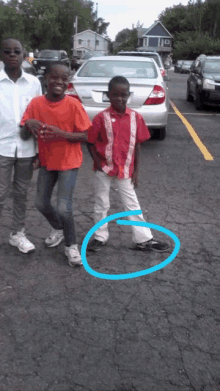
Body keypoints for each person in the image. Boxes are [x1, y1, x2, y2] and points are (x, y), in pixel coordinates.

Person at [20, 61, 92, 266]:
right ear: (45, 79)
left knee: (64, 208)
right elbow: (25, 132)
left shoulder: (73, 105)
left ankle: (71, 246)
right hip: (47, 161)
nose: (59, 81)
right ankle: (59, 229)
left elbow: (87, 135)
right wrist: (28, 124)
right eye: (54, 77)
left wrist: (63, 134)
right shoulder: (36, 104)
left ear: (68, 83)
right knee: (41, 203)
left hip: (69, 162)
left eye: (64, 78)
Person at [87, 75, 170, 253]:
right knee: (101, 202)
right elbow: (90, 142)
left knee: (131, 203)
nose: (119, 98)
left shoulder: (135, 118)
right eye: (115, 95)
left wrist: (136, 171)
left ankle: (143, 239)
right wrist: (98, 163)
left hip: (125, 169)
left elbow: (137, 146)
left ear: (128, 95)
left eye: (123, 95)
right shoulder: (101, 118)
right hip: (104, 168)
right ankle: (100, 236)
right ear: (108, 95)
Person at [0, 37, 42, 253]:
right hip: (2, 147)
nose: (13, 55)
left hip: (26, 148)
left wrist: (39, 150)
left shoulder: (34, 84)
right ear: (2, 55)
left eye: (17, 51)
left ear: (24, 55)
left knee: (21, 192)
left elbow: (40, 114)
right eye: (8, 52)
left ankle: (17, 234)